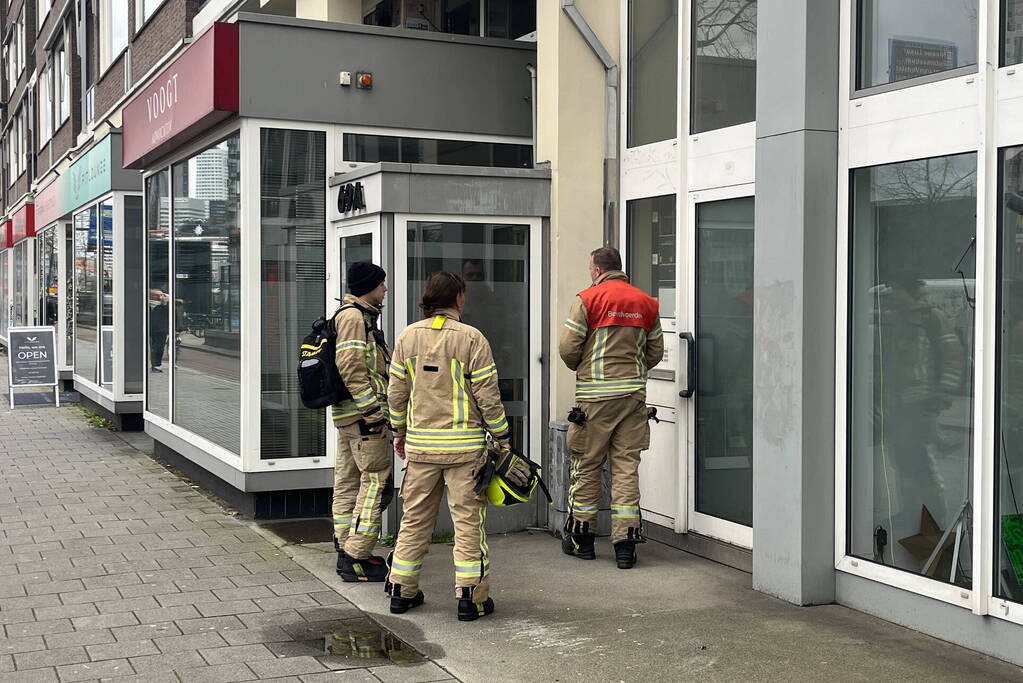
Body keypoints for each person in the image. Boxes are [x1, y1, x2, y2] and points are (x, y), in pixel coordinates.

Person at [385, 272, 510, 621]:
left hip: (421, 450)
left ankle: (401, 590)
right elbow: (488, 396)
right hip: (465, 451)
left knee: (414, 520)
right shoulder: (472, 339)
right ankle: (471, 598)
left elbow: (395, 393)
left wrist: (399, 431)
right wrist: (502, 437)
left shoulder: (407, 337)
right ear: (458, 299)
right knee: (468, 523)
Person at [558, 247, 664, 569]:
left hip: (595, 400)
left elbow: (567, 348)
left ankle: (582, 540)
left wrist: (585, 366)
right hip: (632, 399)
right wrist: (632, 373)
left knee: (587, 466)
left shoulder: (588, 299)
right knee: (626, 468)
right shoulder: (646, 303)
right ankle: (625, 546)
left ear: (595, 269)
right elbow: (655, 350)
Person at [332, 261, 392, 583]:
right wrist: (374, 414)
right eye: (381, 284)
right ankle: (357, 555)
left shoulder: (352, 316)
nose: (385, 290)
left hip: (348, 416)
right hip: (363, 419)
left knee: (348, 482)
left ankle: (345, 546)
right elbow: (352, 369)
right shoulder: (354, 318)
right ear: (369, 286)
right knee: (375, 484)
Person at [148, 289, 170, 373]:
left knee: (159, 348)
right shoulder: (146, 304)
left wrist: (166, 303)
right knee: (152, 348)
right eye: (157, 295)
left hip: (161, 330)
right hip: (149, 329)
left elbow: (172, 314)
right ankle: (154, 365)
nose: (160, 297)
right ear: (151, 296)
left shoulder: (165, 306)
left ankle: (157, 365)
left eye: (161, 295)